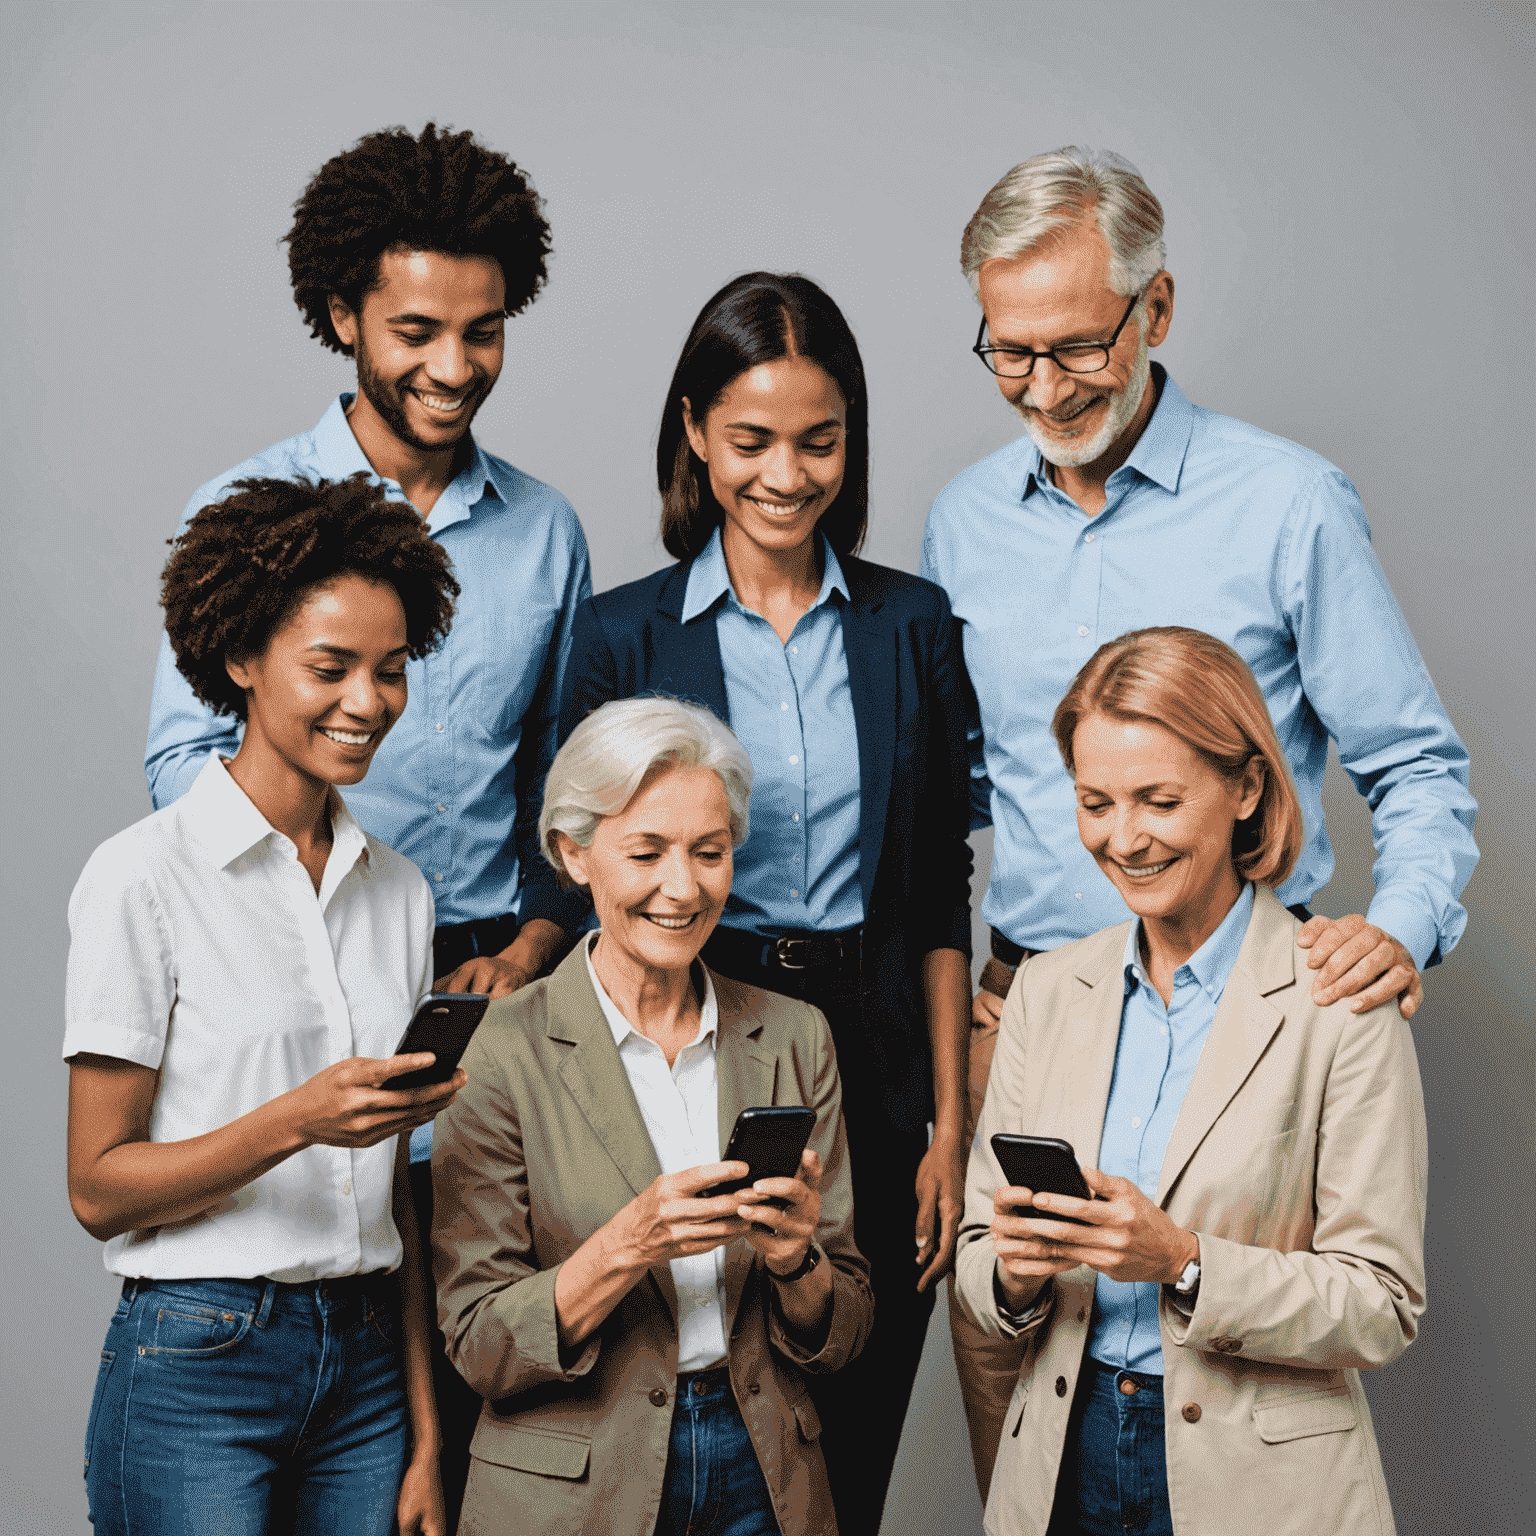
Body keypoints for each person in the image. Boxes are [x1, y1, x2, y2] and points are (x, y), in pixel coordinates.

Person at [919, 145, 1473, 1490]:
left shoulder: (1288, 502)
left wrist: (1392, 935)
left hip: (1245, 1033)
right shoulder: (963, 523)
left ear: (1155, 309)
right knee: (1029, 1453)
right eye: (1007, 356)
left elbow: (1420, 770)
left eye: (1075, 348)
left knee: (1226, 1439)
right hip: (1030, 1028)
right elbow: (952, 809)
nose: (1043, 390)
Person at [140, 122, 593, 1524]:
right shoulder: (246, 510)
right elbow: (178, 765)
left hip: (489, 1008)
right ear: (341, 317)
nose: (451, 367)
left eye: (483, 331)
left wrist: (525, 943)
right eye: (413, 330)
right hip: (299, 989)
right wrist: (320, 918)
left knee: (474, 1408)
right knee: (310, 1352)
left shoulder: (548, 536)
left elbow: (561, 792)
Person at [560, 272, 974, 1535]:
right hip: (699, 1027)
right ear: (694, 431)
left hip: (881, 1038)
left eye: (819, 441)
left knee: (851, 1417)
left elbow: (941, 895)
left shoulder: (912, 624)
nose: (787, 475)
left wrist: (952, 1120)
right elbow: (588, 871)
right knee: (705, 1403)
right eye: (750, 441)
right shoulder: (622, 634)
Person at [955, 626, 1427, 1536]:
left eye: (1158, 801)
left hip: (1259, 1484)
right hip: (1061, 1464)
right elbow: (978, 1254)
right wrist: (1012, 1274)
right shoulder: (1046, 993)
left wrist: (1183, 1260)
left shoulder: (1341, 998)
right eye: (1096, 803)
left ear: (1246, 788)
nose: (1123, 838)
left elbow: (1381, 1301)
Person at [67, 476, 467, 1535]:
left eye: (391, 672)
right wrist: (299, 1119)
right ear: (241, 659)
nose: (369, 702)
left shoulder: (402, 892)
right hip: (199, 1358)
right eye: (330, 668)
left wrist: (427, 1435)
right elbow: (100, 1188)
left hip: (370, 1364)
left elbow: (401, 1197)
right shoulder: (141, 878)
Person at [430, 697, 873, 1536]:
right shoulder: (500, 1050)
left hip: (765, 1471)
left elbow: (845, 1328)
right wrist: (629, 1242)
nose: (684, 887)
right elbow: (480, 1342)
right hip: (570, 1490)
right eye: (647, 852)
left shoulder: (792, 1036)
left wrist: (794, 1264)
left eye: (710, 853)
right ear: (574, 853)